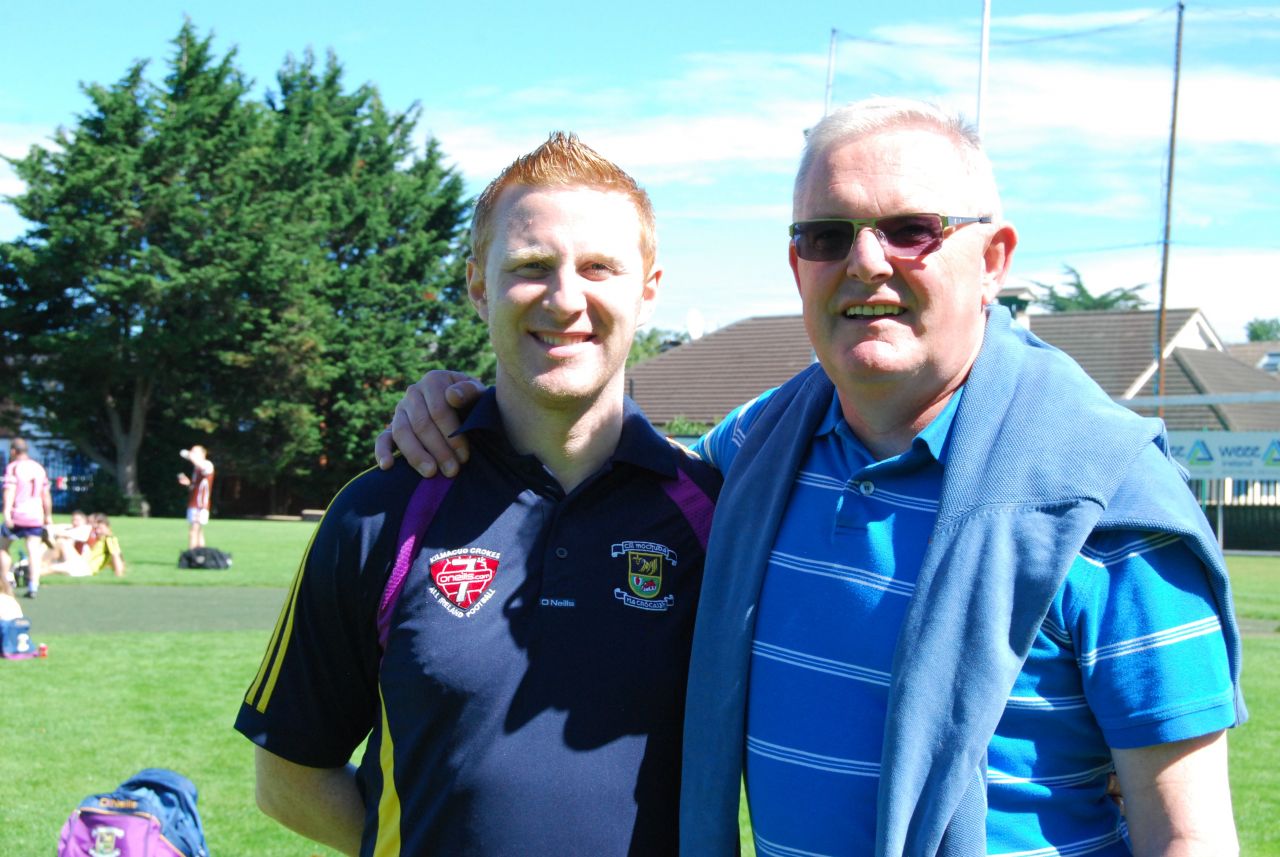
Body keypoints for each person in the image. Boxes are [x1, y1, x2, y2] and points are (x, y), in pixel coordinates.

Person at [379, 98, 1245, 856]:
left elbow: (1189, 834)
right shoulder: (755, 452)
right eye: (828, 236)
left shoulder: (1108, 506)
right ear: (799, 266)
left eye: (912, 229)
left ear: (993, 261)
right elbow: (598, 452)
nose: (867, 262)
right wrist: (463, 404)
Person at [235, 132, 719, 856]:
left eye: (598, 267)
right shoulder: (380, 510)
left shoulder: (721, 514)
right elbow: (287, 777)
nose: (565, 297)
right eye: (530, 266)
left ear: (648, 288)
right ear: (477, 284)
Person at [1, 437, 53, 599]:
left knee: (2, 547)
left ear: (13, 451)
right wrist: (48, 516)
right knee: (33, 551)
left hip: (18, 514)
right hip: (35, 515)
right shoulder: (38, 468)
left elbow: (9, 491)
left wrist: (7, 512)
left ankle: (5, 582)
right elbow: (46, 495)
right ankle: (33, 586)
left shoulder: (13, 467)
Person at [177, 446, 214, 550]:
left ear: (203, 454)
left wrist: (189, 456)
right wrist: (188, 483)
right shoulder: (196, 468)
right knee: (198, 531)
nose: (192, 453)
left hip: (200, 504)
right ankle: (200, 555)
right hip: (194, 503)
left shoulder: (207, 464)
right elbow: (196, 487)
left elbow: (202, 466)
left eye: (195, 452)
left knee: (193, 530)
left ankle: (191, 555)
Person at [39, 509, 94, 579]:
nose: (75, 522)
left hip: (81, 565)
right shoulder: (72, 529)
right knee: (48, 565)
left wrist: (57, 532)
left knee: (61, 542)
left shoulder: (86, 529)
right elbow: (49, 528)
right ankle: (32, 569)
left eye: (78, 520)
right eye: (73, 520)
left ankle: (35, 568)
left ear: (85, 521)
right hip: (69, 562)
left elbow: (69, 533)